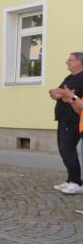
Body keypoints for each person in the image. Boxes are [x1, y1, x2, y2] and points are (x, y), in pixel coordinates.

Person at [49, 52, 83, 194]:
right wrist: (60, 94)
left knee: (67, 149)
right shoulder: (69, 78)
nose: (67, 62)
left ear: (79, 62)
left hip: (73, 119)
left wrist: (65, 95)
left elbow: (71, 96)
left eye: (70, 60)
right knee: (63, 150)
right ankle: (70, 180)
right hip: (63, 118)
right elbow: (54, 92)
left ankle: (77, 183)